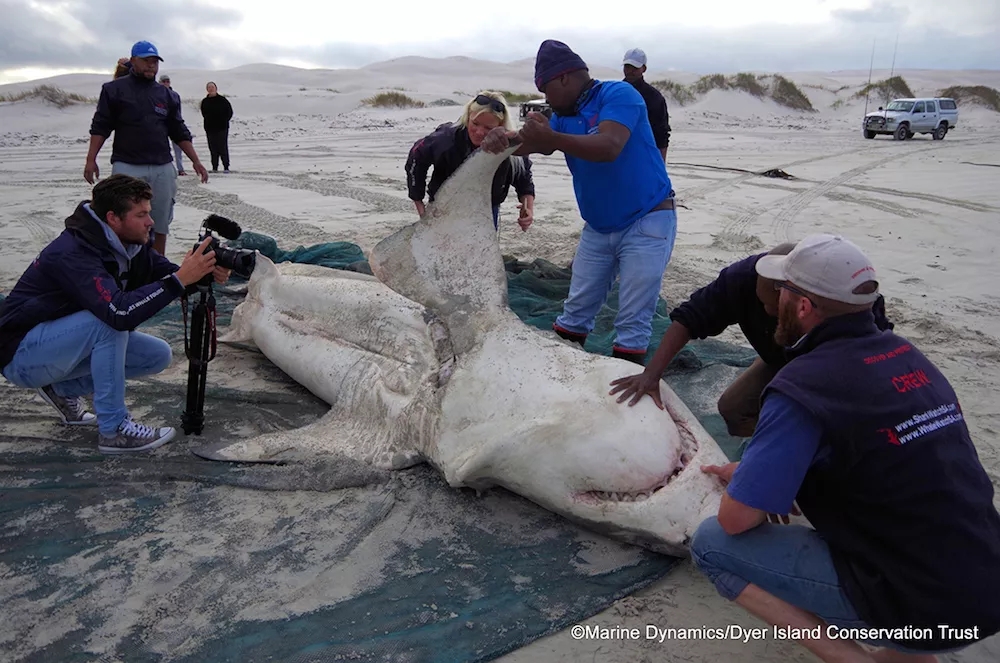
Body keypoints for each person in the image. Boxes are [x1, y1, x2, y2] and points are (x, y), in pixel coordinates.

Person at [687, 234, 1000, 662]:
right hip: (985, 583)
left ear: (802, 306)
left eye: (782, 291)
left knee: (711, 543)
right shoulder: (908, 357)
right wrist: (759, 474)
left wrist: (751, 488)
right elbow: (888, 458)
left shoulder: (803, 386)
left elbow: (737, 520)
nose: (773, 300)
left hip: (924, 604)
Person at [0, 175, 229, 453]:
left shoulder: (129, 245)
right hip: (19, 354)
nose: (151, 222)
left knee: (156, 355)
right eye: (141, 214)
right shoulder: (73, 252)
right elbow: (120, 313)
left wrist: (200, 272)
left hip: (55, 346)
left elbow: (166, 275)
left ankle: (60, 388)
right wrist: (179, 279)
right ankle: (114, 430)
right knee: (109, 323)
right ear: (113, 218)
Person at [482, 40, 677, 365]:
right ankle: (565, 379)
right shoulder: (564, 115)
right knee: (574, 314)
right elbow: (529, 145)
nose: (546, 99)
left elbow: (609, 145)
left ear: (563, 78)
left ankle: (625, 400)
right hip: (599, 228)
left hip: (648, 220)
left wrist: (552, 138)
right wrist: (500, 141)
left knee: (632, 321)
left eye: (545, 90)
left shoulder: (619, 95)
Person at [608, 241, 894, 437]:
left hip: (839, 371)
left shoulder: (845, 298)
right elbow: (688, 318)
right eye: (764, 307)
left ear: (803, 300)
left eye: (777, 311)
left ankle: (805, 458)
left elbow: (875, 362)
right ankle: (772, 450)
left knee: (832, 428)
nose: (769, 313)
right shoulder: (741, 279)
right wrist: (651, 374)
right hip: (778, 357)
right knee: (733, 409)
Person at [86, 41, 209, 256]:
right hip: (127, 166)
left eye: (154, 62)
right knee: (125, 222)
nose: (151, 66)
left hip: (162, 166)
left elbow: (178, 131)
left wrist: (196, 161)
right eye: (146, 61)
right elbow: (101, 125)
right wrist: (91, 159)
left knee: (159, 222)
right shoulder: (113, 90)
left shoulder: (168, 96)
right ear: (133, 61)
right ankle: (125, 268)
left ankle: (156, 267)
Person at [405, 90, 535, 233]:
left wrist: (527, 209)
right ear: (468, 117)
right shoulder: (445, 139)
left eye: (488, 128)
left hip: (486, 210)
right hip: (444, 208)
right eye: (475, 123)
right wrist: (420, 207)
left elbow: (524, 179)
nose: (479, 132)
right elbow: (416, 156)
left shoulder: (510, 147)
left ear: (501, 126)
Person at [622, 48, 671, 161]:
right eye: (627, 66)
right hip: (618, 154)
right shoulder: (615, 92)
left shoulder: (654, 97)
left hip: (644, 155)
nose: (630, 71)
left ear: (643, 68)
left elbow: (662, 134)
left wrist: (660, 165)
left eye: (635, 68)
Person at [200, 82, 234, 173]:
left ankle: (226, 166)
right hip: (210, 128)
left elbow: (229, 112)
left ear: (216, 88)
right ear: (207, 89)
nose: (211, 89)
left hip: (222, 128)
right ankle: (214, 167)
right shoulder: (205, 101)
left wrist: (224, 120)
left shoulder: (222, 100)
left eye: (212, 87)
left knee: (222, 147)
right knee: (212, 148)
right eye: (209, 87)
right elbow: (204, 113)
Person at [159, 74, 188, 176]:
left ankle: (180, 168)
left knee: (178, 148)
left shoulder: (174, 95)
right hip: (160, 124)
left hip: (173, 123)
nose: (166, 83)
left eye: (167, 81)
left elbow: (178, 110)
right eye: (164, 81)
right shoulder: (155, 94)